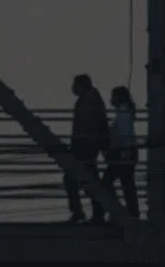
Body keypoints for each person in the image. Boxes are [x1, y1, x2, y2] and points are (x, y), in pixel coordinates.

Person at [64, 73, 110, 225]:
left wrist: (80, 146)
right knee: (89, 181)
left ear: (81, 85)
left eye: (74, 85)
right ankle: (97, 212)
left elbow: (88, 126)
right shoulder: (90, 98)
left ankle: (82, 212)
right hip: (88, 146)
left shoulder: (89, 100)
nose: (72, 88)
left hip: (85, 147)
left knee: (78, 179)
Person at [102, 86, 139, 219]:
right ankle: (130, 212)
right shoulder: (124, 111)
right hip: (127, 152)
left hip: (123, 153)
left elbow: (124, 134)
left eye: (113, 96)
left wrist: (125, 153)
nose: (111, 99)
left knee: (107, 182)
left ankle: (117, 210)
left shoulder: (123, 112)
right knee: (127, 184)